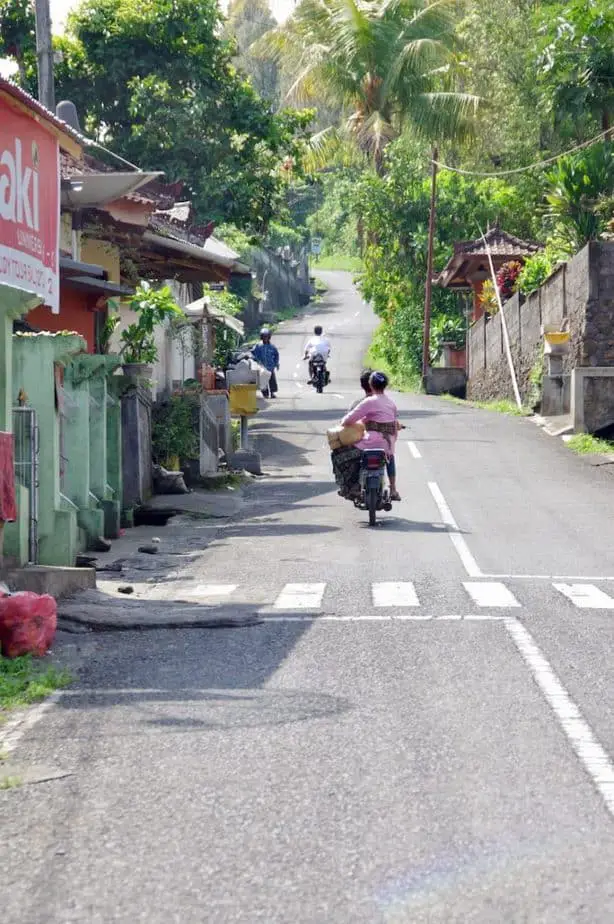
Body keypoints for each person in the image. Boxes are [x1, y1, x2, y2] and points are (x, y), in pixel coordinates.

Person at [341, 371, 401, 501]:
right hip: (387, 443)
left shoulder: (369, 402)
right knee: (390, 457)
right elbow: (394, 428)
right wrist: (391, 443)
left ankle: (354, 486)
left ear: (370, 385)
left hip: (369, 443)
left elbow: (348, 420)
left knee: (350, 455)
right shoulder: (391, 403)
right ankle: (394, 489)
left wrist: (345, 423)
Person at [251, 328, 280, 398]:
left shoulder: (272, 347)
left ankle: (272, 392)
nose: (265, 338)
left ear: (269, 337)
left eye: (267, 336)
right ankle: (265, 394)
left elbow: (276, 355)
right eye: (264, 337)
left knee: (272, 380)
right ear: (261, 337)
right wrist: (255, 360)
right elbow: (253, 353)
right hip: (261, 366)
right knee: (263, 381)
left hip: (270, 366)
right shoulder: (258, 346)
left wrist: (276, 363)